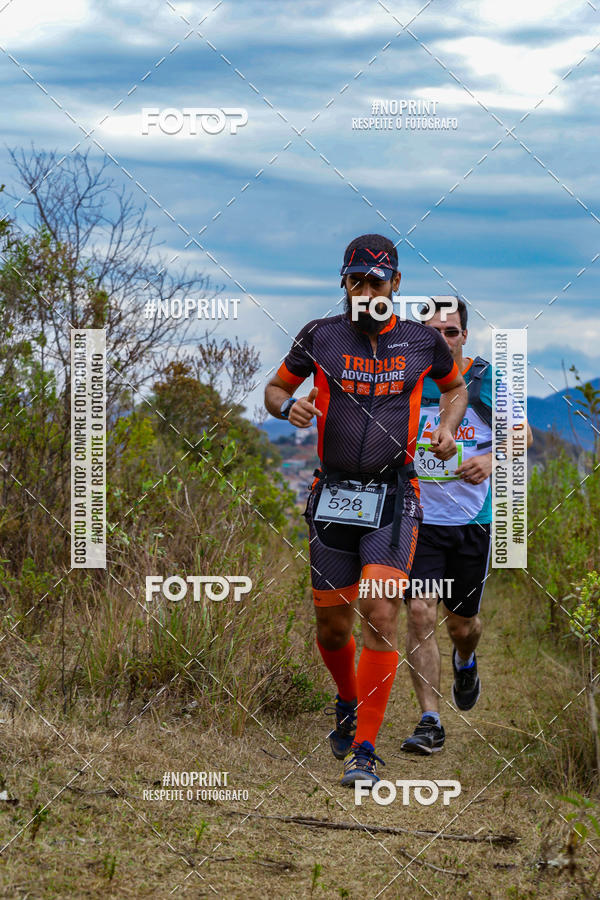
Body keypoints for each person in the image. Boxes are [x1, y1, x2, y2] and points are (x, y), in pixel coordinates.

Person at [264, 235, 467, 786]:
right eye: (356, 279)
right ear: (343, 281)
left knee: (380, 612)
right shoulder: (320, 335)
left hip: (394, 495)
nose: (366, 289)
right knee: (332, 629)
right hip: (332, 493)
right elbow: (275, 389)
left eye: (377, 281)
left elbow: (454, 390)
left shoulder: (423, 342)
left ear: (396, 284)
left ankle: (364, 749)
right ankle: (348, 702)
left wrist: (448, 427)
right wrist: (289, 407)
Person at [401, 298, 533, 755]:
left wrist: (488, 460)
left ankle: (466, 659)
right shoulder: (407, 376)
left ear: (464, 336)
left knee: (463, 623)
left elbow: (524, 435)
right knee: (420, 613)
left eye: (450, 331)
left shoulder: (483, 380)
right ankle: (429, 720)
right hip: (419, 520)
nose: (440, 339)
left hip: (471, 523)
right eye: (431, 330)